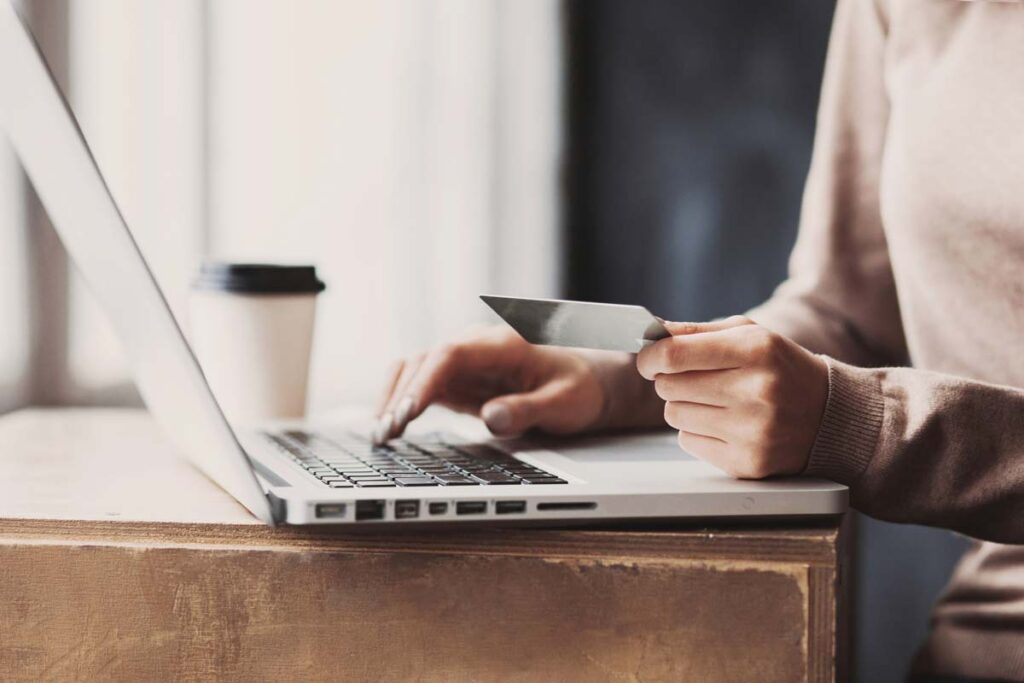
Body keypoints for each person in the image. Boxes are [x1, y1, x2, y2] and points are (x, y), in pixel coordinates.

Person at [376, 0, 1024, 680]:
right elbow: (845, 313)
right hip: (976, 641)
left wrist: (865, 428)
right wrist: (618, 379)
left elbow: (852, 404)